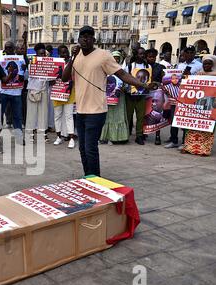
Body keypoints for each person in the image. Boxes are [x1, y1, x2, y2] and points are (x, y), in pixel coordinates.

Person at [62, 26, 156, 176]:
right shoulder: (77, 56)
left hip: (97, 110)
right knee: (82, 148)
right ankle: (88, 175)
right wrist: (72, 57)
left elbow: (122, 74)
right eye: (82, 36)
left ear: (94, 39)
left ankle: (94, 179)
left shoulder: (104, 55)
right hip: (80, 110)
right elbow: (64, 78)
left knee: (90, 147)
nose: (85, 39)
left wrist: (143, 84)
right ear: (78, 39)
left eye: (89, 36)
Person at [181, 54, 216, 156]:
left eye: (209, 63)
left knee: (207, 128)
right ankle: (189, 148)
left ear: (212, 65)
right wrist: (186, 76)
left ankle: (204, 150)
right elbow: (188, 83)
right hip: (197, 104)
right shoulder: (199, 74)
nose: (207, 65)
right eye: (205, 63)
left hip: (210, 105)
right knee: (193, 126)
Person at [100, 51, 129, 144]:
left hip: (119, 97)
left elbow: (127, 83)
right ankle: (106, 136)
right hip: (107, 97)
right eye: (114, 58)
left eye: (117, 58)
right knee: (107, 117)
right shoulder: (105, 69)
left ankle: (117, 138)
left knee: (118, 116)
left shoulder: (123, 69)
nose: (116, 60)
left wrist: (124, 88)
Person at [0, 41, 24, 144]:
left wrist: (22, 71)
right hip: (3, 92)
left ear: (14, 49)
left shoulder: (21, 60)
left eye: (10, 48)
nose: (8, 50)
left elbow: (23, 78)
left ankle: (19, 138)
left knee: (17, 116)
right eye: (6, 48)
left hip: (16, 93)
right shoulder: (0, 60)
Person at [125, 47, 151, 144]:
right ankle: (126, 134)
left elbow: (149, 80)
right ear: (136, 55)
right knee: (128, 116)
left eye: (143, 54)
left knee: (141, 116)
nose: (143, 56)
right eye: (140, 54)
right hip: (130, 95)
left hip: (142, 95)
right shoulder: (130, 66)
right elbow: (125, 79)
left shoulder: (148, 66)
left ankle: (139, 135)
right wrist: (128, 90)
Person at [26, 43, 51, 143]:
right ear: (36, 53)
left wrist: (47, 58)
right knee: (31, 113)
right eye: (40, 54)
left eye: (43, 53)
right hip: (32, 89)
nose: (42, 56)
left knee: (43, 113)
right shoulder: (31, 61)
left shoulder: (47, 61)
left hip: (44, 90)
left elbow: (51, 75)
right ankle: (30, 135)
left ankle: (43, 135)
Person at [52, 45, 75, 148]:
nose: (64, 54)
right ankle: (58, 137)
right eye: (62, 53)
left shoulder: (73, 63)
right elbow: (50, 78)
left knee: (69, 116)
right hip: (57, 93)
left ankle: (71, 138)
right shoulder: (54, 63)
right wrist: (51, 80)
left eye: (66, 52)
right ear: (59, 54)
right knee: (57, 116)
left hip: (69, 93)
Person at [146, 48, 166, 145]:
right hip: (145, 92)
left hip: (157, 93)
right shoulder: (144, 66)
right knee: (146, 114)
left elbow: (164, 80)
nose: (152, 59)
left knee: (158, 114)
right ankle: (144, 132)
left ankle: (157, 136)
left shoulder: (161, 67)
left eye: (153, 57)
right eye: (149, 57)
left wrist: (157, 83)